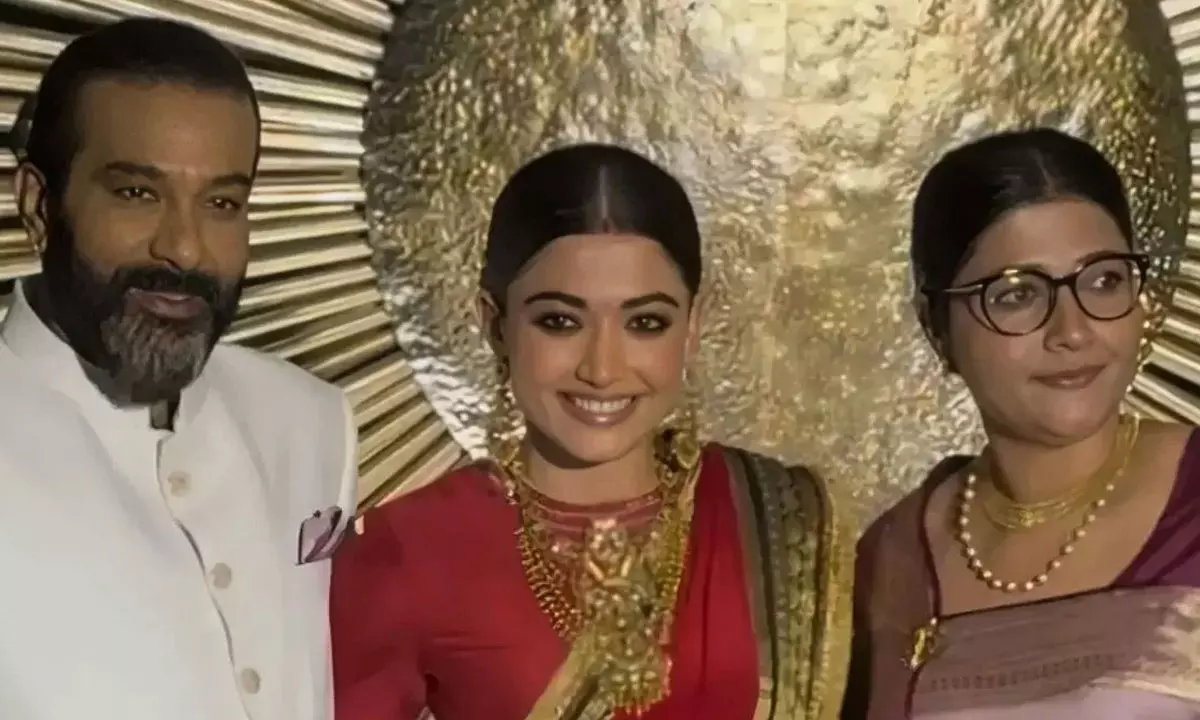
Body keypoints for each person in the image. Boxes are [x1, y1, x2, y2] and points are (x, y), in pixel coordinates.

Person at [330, 143, 854, 720]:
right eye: (560, 321)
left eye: (645, 322)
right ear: (495, 325)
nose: (603, 369)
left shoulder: (777, 516)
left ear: (692, 326)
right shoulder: (407, 550)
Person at [1, 19, 356, 720]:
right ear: (40, 205)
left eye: (222, 203)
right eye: (137, 193)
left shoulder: (310, 421)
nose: (186, 250)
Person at [846, 128, 1200, 719]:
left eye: (1104, 280)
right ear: (936, 327)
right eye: (1016, 295)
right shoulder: (893, 560)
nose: (1072, 331)